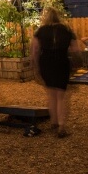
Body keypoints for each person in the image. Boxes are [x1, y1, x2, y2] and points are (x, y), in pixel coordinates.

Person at [30, 7, 79, 138]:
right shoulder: (67, 30)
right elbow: (75, 49)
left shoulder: (40, 31)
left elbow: (35, 50)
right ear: (58, 16)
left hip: (46, 61)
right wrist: (75, 63)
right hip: (62, 61)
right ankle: (62, 126)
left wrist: (36, 65)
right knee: (61, 96)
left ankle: (54, 122)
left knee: (51, 94)